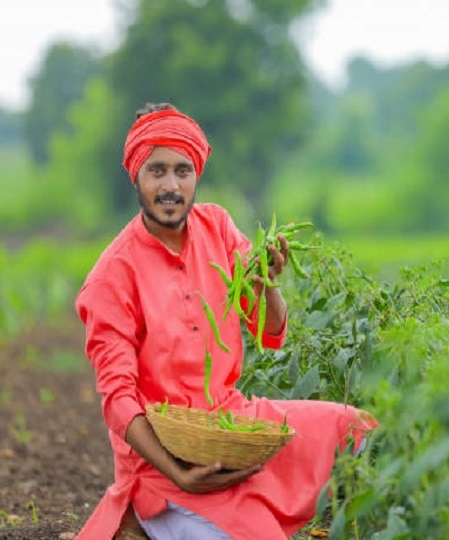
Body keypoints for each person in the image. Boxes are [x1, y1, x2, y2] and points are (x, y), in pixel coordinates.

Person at [74, 102, 378, 539]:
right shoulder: (112, 276)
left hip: (232, 423)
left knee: (357, 430)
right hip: (163, 464)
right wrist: (180, 475)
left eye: (182, 170)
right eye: (156, 170)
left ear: (196, 174)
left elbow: (267, 330)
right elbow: (118, 400)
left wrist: (267, 281)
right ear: (136, 177)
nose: (171, 186)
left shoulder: (215, 225)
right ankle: (144, 521)